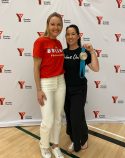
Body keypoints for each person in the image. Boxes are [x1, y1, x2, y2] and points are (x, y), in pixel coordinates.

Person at [33, 12, 66, 158]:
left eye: (59, 24)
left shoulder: (59, 43)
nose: (56, 27)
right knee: (48, 119)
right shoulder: (40, 42)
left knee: (58, 117)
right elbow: (36, 68)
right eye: (53, 24)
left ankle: (55, 145)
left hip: (61, 82)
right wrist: (39, 89)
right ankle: (44, 146)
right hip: (46, 83)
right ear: (47, 25)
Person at [63, 24, 99, 152]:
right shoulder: (63, 52)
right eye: (68, 34)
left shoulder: (83, 52)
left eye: (73, 34)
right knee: (71, 115)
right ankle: (78, 139)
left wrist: (92, 51)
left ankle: (80, 141)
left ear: (78, 36)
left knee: (75, 116)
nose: (70, 36)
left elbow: (95, 68)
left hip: (79, 89)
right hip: (65, 90)